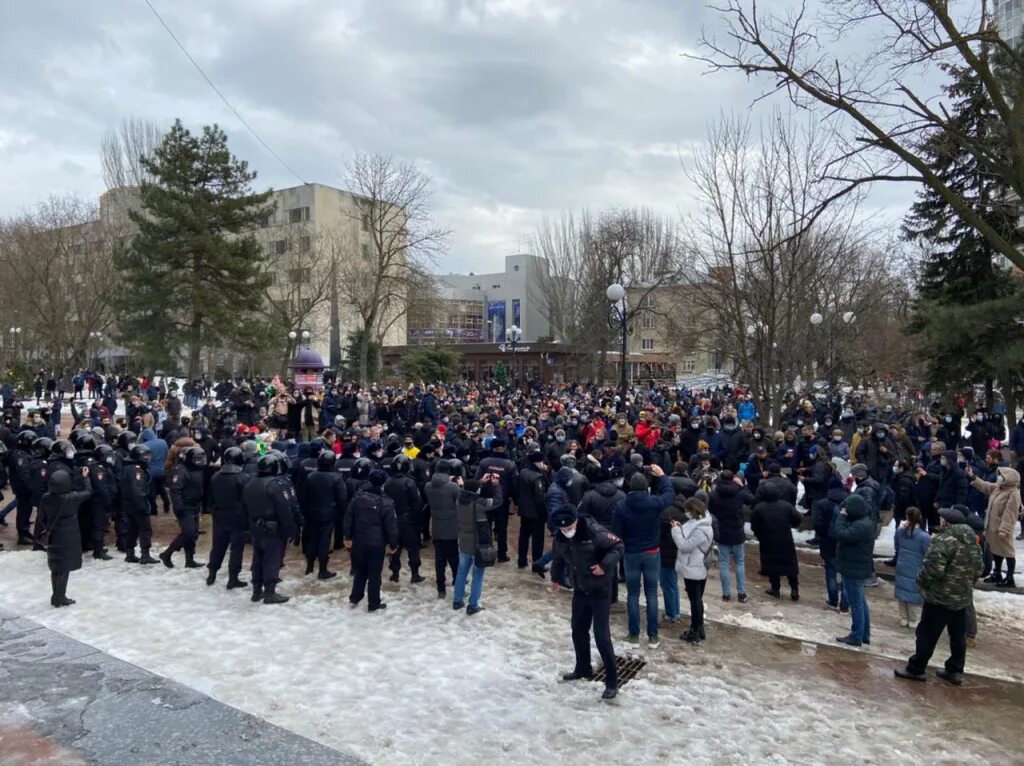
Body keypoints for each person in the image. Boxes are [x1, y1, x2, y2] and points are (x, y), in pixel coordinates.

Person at [895, 507, 984, 686]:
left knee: (927, 633)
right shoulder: (972, 542)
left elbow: (933, 570)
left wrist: (922, 582)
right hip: (961, 599)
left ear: (947, 522)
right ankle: (955, 670)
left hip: (939, 598)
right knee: (958, 636)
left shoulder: (944, 541)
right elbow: (979, 569)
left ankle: (916, 668)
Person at [549, 504, 624, 702]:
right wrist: (555, 576)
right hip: (580, 589)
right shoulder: (560, 536)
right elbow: (559, 556)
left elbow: (618, 546)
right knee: (578, 630)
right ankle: (583, 668)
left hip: (600, 590)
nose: (567, 532)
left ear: (576, 521)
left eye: (569, 527)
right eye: (563, 529)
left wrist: (604, 565)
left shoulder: (594, 531)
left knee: (602, 637)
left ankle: (612, 681)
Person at [612, 463, 676, 647]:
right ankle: (653, 636)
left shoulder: (622, 506)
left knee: (632, 594)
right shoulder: (654, 503)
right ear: (646, 487)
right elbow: (669, 495)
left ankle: (633, 635)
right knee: (652, 594)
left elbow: (617, 533)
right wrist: (662, 476)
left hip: (631, 554)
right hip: (652, 553)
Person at [243, 453, 298, 605]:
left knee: (258, 560)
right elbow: (284, 509)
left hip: (256, 528)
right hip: (273, 529)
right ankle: (269, 592)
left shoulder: (249, 483)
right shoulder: (275, 485)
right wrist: (291, 529)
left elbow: (244, 507)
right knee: (271, 561)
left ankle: (256, 591)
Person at [344, 469, 399, 611]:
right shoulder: (386, 502)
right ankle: (374, 603)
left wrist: (347, 536)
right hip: (377, 543)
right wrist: (393, 544)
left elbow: (348, 517)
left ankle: (355, 596)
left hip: (359, 540)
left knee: (360, 570)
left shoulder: (357, 497)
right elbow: (391, 526)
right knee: (375, 574)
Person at [40, 468, 92, 607]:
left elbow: (41, 518)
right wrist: (85, 477)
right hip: (69, 537)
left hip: (53, 535)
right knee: (64, 567)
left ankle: (55, 595)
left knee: (56, 566)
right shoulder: (71, 498)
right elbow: (88, 492)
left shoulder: (46, 497)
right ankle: (60, 597)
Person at [453, 473, 503, 614]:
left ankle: (457, 600)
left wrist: (478, 482)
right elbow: (498, 501)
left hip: (463, 541)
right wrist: (496, 485)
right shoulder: (479, 504)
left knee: (461, 572)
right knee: (478, 575)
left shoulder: (459, 500)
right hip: (478, 544)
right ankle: (473, 605)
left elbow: (465, 491)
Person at [671, 497, 715, 644]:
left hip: (694, 568)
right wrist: (680, 527)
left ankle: (695, 631)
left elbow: (685, 546)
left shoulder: (701, 529)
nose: (686, 514)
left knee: (695, 600)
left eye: (687, 511)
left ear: (693, 511)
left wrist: (676, 531)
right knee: (697, 599)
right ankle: (699, 628)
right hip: (697, 566)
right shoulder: (701, 523)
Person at [968, 464, 1019, 588]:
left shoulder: (1013, 493)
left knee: (1007, 551)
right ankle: (997, 573)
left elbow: (1010, 513)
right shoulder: (998, 488)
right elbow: (985, 486)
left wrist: (1004, 529)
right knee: (996, 551)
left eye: (1002, 476)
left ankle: (1010, 577)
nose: (999, 478)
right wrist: (973, 477)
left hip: (1002, 529)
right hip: (992, 527)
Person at [206, 446, 251, 589]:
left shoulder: (215, 476)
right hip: (237, 517)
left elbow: (210, 499)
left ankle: (212, 574)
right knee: (236, 548)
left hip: (219, 515)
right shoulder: (243, 477)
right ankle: (233, 578)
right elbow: (246, 501)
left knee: (218, 546)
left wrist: (214, 510)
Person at [708, 470, 754, 603]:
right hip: (737, 531)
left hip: (721, 531)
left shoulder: (713, 495)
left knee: (724, 563)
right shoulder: (739, 493)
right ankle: (741, 592)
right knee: (739, 562)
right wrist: (742, 486)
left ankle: (726, 593)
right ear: (733, 479)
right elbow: (752, 499)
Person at [301, 449, 348, 581]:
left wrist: (305, 512)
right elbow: (342, 499)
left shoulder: (311, 476)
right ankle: (322, 570)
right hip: (328, 514)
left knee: (312, 539)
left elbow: (303, 496)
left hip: (312, 513)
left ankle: (309, 567)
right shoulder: (336, 478)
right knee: (324, 542)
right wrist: (342, 515)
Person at [750, 481, 801, 600]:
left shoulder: (759, 508)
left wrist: (760, 535)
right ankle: (794, 589)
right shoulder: (786, 505)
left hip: (767, 540)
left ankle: (775, 589)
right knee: (790, 564)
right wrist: (790, 525)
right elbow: (798, 518)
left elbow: (754, 525)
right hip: (785, 539)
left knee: (772, 564)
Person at [160, 446, 207, 569]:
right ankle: (167, 553)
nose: (200, 462)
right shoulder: (181, 470)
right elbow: (175, 490)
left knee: (194, 534)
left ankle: (190, 559)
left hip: (195, 504)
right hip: (185, 506)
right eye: (198, 459)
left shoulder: (199, 470)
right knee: (188, 533)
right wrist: (178, 506)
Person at [384, 454, 424, 584]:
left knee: (394, 547)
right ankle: (415, 574)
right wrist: (418, 520)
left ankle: (395, 574)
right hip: (408, 520)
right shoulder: (409, 482)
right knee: (413, 548)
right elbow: (417, 503)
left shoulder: (387, 482)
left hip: (392, 520)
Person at [424, 460, 461, 598]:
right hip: (451, 527)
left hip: (436, 527)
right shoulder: (453, 487)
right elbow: (461, 501)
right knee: (454, 558)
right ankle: (458, 584)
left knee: (439, 560)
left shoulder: (428, 486)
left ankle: (441, 588)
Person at [894, 507, 931, 628]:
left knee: (902, 591)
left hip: (902, 565)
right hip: (916, 568)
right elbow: (928, 554)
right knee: (913, 594)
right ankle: (913, 619)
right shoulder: (924, 537)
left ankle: (903, 618)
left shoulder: (900, 531)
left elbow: (897, 545)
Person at [658, 491, 688, 623]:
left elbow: (659, 534)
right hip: (678, 553)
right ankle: (676, 612)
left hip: (665, 554)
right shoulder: (686, 516)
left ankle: (671, 614)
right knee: (673, 584)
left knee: (667, 584)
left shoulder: (666, 513)